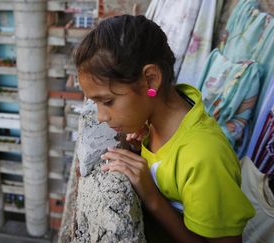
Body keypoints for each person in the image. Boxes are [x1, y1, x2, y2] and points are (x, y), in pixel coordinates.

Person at [74, 14, 255, 243]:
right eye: (95, 103)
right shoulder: (154, 122)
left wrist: (152, 198)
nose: (100, 117)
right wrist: (142, 147)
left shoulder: (204, 158)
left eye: (108, 101)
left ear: (150, 80)